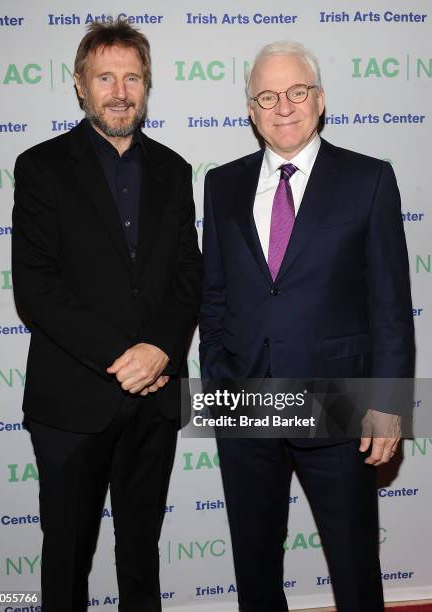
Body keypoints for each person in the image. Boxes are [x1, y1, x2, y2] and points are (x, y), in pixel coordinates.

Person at [199, 41, 414, 612]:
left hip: (339, 402)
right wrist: (218, 381)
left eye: (297, 92)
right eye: (267, 96)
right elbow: (213, 296)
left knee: (354, 568)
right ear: (251, 110)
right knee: (255, 567)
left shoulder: (369, 180)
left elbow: (391, 306)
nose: (283, 106)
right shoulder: (221, 184)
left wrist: (389, 403)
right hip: (243, 402)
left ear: (320, 100)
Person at [12, 19, 202, 612]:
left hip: (157, 398)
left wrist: (162, 350)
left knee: (142, 555)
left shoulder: (174, 170)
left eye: (132, 78)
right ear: (79, 86)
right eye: (105, 78)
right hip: (72, 403)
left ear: (147, 85)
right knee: (66, 559)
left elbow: (186, 276)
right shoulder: (41, 167)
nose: (120, 91)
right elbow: (36, 288)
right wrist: (125, 359)